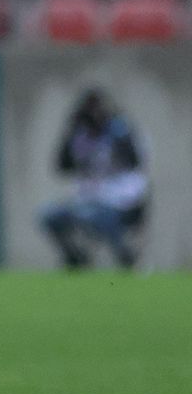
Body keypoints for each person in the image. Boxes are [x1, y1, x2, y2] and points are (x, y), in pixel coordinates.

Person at [41, 89, 148, 269]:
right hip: (89, 199)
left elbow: (135, 161)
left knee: (101, 216)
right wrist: (71, 133)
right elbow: (62, 166)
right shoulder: (79, 136)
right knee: (50, 216)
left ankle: (125, 256)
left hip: (121, 200)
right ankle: (76, 259)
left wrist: (114, 133)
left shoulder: (119, 131)